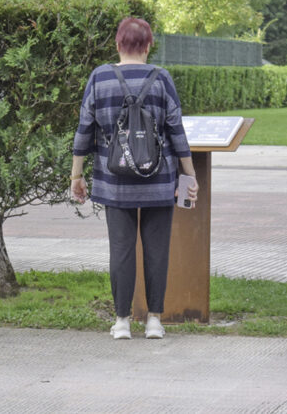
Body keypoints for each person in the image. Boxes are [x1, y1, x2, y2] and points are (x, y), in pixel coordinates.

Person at [69, 17, 197, 339]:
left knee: (121, 250)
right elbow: (176, 131)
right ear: (148, 45)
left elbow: (85, 129)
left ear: (117, 44)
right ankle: (154, 320)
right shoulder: (161, 78)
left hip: (115, 183)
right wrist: (189, 175)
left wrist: (76, 174)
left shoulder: (100, 78)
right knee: (157, 251)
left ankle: (122, 321)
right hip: (159, 181)